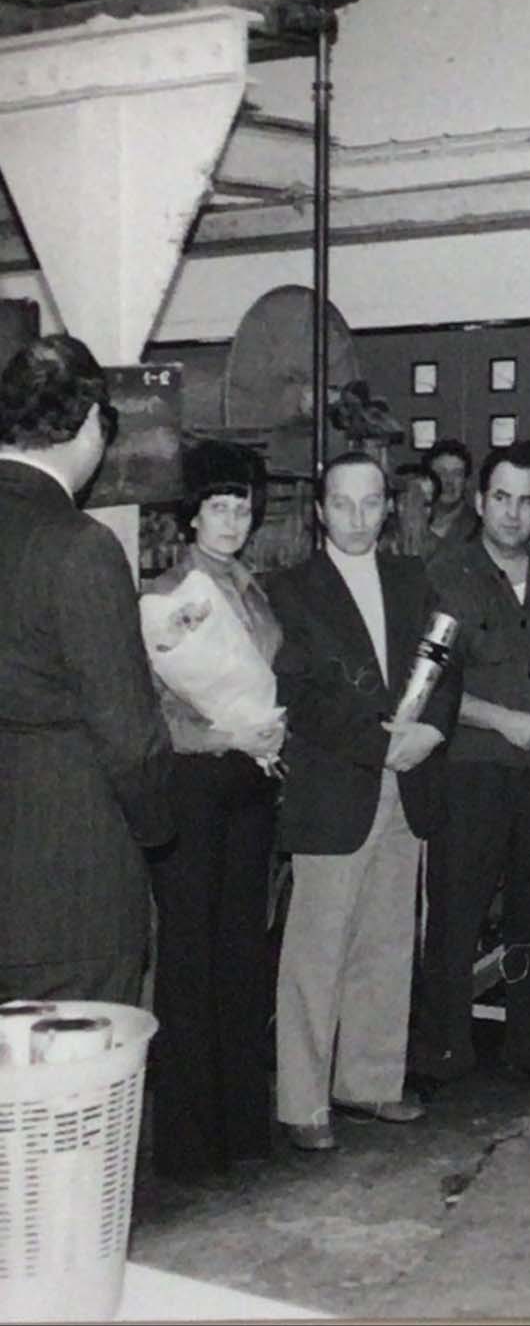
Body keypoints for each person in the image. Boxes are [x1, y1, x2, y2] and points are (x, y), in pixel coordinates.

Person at [267, 452, 460, 1153]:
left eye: (370, 503)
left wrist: (433, 729)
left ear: (388, 509)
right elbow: (300, 693)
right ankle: (301, 1099)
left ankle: (370, 1081)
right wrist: (380, 743)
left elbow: (449, 663)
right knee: (317, 950)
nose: (357, 517)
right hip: (335, 785)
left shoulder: (414, 579)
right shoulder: (289, 590)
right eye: (342, 504)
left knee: (386, 938)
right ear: (320, 510)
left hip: (408, 779)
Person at [414, 441, 530, 1094]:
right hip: (471, 773)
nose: (516, 514)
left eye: (529, 501)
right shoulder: (443, 575)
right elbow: (426, 686)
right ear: (479, 501)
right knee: (457, 916)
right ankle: (442, 1053)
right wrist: (500, 719)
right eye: (503, 499)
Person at [0, 336, 176, 1004]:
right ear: (90, 426)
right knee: (74, 1098)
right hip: (66, 891)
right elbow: (130, 739)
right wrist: (158, 830)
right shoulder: (79, 547)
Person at [139, 439, 283, 1180]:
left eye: (242, 507)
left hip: (251, 779)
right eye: (218, 507)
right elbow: (154, 712)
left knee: (239, 950)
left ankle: (242, 1130)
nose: (231, 520)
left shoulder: (253, 586)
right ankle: (191, 1144)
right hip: (195, 785)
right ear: (192, 513)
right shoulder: (167, 594)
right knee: (191, 956)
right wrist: (222, 731)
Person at [423, 438, 479, 549]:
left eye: (457, 474)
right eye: (441, 473)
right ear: (426, 478)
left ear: (466, 481)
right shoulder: (410, 522)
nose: (449, 481)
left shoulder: (480, 529)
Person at [383, 461, 439, 561]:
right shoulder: (378, 548)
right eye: (414, 501)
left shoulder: (442, 551)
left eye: (427, 504)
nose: (421, 511)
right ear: (394, 504)